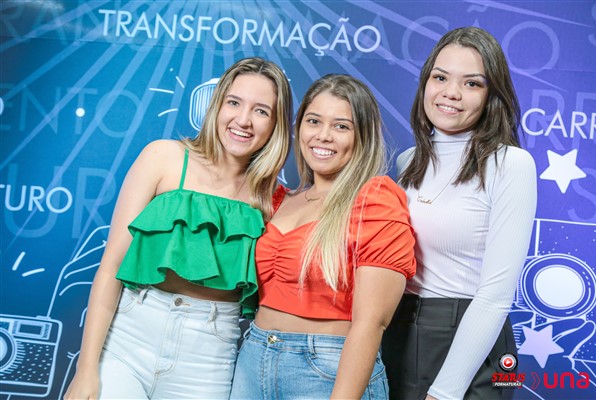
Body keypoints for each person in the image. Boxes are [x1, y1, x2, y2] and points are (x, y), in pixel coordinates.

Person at [64, 57, 292, 400]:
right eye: (234, 103)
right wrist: (86, 370)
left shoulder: (273, 198)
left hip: (209, 360)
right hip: (128, 341)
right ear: (217, 105)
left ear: (275, 124)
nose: (243, 120)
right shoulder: (163, 157)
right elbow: (111, 268)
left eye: (261, 111)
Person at [230, 74, 416, 399]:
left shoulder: (374, 200)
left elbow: (371, 324)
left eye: (341, 126)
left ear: (363, 136)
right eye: (313, 121)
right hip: (253, 359)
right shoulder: (278, 200)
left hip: (325, 368)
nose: (323, 136)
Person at [381, 26, 537, 400]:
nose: (451, 92)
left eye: (471, 83)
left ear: (491, 95)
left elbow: (495, 296)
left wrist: (445, 392)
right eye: (440, 77)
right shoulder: (407, 162)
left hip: (473, 344)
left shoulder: (510, 164)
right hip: (400, 331)